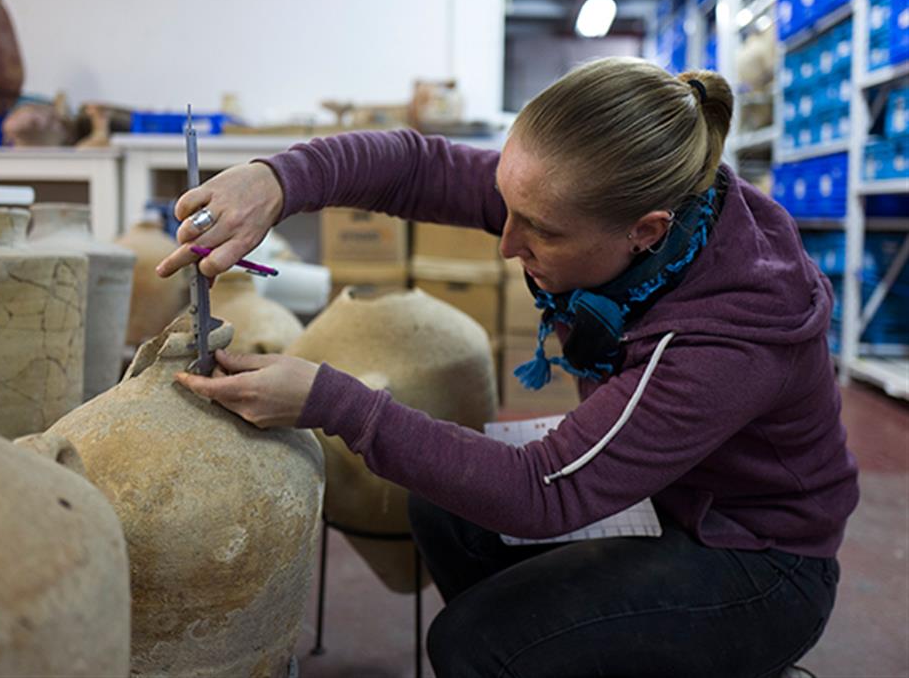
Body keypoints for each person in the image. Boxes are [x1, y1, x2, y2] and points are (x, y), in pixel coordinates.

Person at [157, 57, 859, 677]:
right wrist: (276, 179)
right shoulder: (631, 201)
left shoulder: (728, 331)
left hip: (760, 556)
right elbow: (414, 166)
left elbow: (541, 492)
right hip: (672, 488)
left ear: (644, 230)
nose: (506, 242)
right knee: (443, 506)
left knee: (478, 644)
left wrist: (334, 400)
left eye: (540, 231)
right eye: (508, 208)